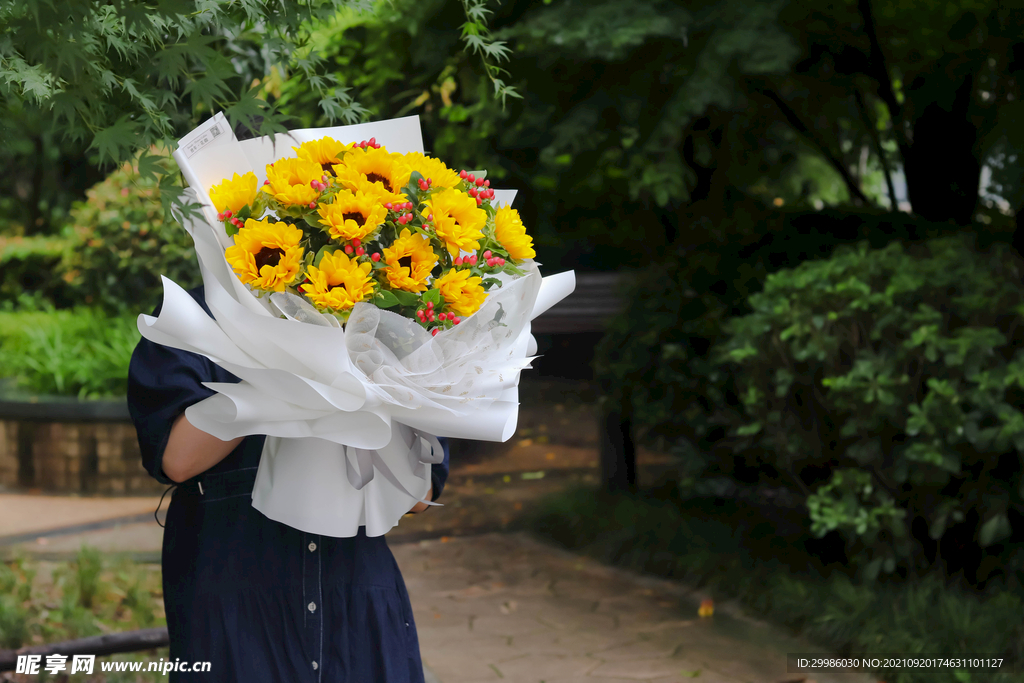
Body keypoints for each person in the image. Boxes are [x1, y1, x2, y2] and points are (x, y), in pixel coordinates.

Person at [128, 284, 448, 682]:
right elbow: (178, 459)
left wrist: (367, 371)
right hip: (236, 587)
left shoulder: (382, 315)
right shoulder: (196, 314)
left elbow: (419, 495)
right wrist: (287, 364)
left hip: (352, 592)